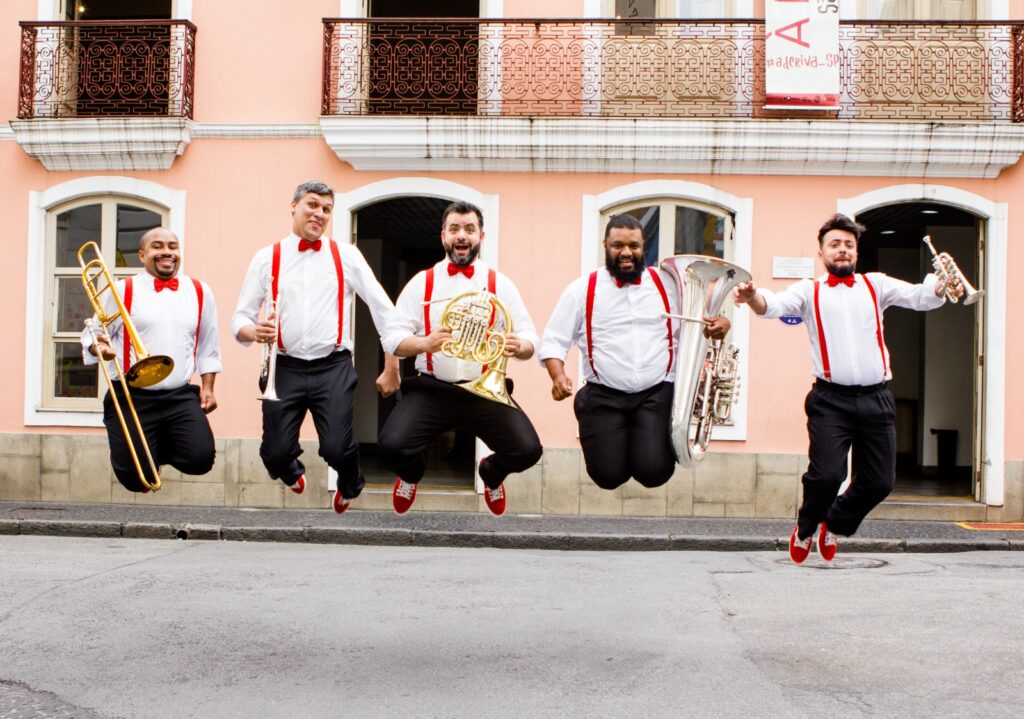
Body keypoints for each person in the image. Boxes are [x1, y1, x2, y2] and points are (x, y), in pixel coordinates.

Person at [734, 213, 963, 564]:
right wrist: (752, 298)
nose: (842, 251)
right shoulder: (808, 291)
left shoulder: (877, 285)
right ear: (822, 252)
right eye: (835, 245)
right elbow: (774, 306)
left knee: (880, 482)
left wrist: (941, 284)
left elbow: (919, 296)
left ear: (857, 252)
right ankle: (806, 526)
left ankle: (834, 523)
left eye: (849, 245)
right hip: (830, 399)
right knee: (827, 475)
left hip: (876, 397)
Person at [232, 181, 400, 515]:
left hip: (332, 366)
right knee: (276, 454)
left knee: (338, 449)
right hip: (284, 366)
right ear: (293, 206)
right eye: (312, 205)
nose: (319, 214)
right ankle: (291, 472)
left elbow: (385, 311)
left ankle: (350, 485)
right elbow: (240, 319)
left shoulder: (347, 256)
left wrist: (391, 365)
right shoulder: (267, 258)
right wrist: (255, 331)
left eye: (326, 209)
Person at [538, 213, 730, 492]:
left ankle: (643, 446)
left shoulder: (670, 284)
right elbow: (554, 341)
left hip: (656, 393)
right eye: (618, 245)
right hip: (603, 395)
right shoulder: (582, 289)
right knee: (607, 476)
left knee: (654, 472)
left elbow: (705, 318)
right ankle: (602, 431)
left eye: (634, 246)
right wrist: (558, 376)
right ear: (605, 244)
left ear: (643, 245)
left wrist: (722, 323)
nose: (626, 252)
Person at [378, 201, 543, 516]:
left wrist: (518, 345)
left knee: (528, 450)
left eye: (469, 229)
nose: (462, 236)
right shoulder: (422, 282)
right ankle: (411, 475)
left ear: (481, 235)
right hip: (433, 388)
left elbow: (530, 338)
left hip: (483, 389)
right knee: (392, 446)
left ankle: (491, 474)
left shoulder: (500, 284)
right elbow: (392, 337)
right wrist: (425, 343)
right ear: (443, 236)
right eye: (454, 229)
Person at [82, 227, 220, 493]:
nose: (167, 252)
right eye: (157, 246)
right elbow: (92, 332)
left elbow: (208, 345)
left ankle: (151, 450)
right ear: (142, 255)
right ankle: (127, 451)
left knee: (201, 459)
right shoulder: (123, 288)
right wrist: (98, 346)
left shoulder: (200, 291)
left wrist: (209, 388)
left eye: (172, 246)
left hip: (179, 395)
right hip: (130, 394)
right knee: (136, 480)